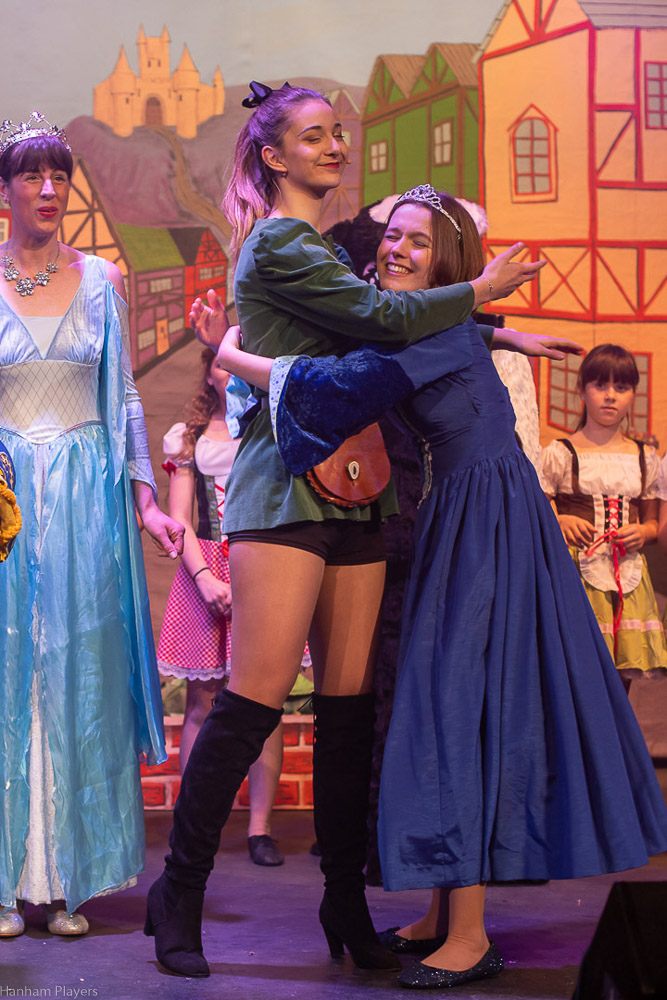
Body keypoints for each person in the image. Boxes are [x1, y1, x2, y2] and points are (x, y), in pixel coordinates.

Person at [145, 80, 570, 980]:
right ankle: (177, 892)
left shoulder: (329, 253)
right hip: (285, 488)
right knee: (255, 701)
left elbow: (391, 332)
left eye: (338, 133)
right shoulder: (277, 242)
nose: (335, 146)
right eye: (313, 136)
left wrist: (492, 331)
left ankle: (344, 901)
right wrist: (483, 292)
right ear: (273, 155)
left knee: (346, 712)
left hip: (357, 486)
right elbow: (380, 320)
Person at [216, 186, 667, 990]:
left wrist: (228, 355)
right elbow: (432, 328)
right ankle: (438, 912)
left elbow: (337, 388)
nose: (395, 249)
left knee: (464, 708)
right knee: (440, 704)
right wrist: (503, 331)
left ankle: (468, 933)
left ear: (446, 262)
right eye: (391, 235)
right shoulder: (425, 324)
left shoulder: (421, 333)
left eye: (416, 243)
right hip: (463, 513)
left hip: (486, 521)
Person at [0, 113, 183, 938]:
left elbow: (127, 396)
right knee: (8, 671)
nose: (50, 190)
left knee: (79, 670)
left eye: (60, 176)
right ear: (6, 190)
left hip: (84, 497)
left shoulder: (103, 279)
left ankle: (67, 876)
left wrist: (144, 497)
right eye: (32, 176)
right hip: (4, 497)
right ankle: (5, 880)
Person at [157, 348, 287, 867]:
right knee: (202, 701)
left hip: (262, 563)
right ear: (209, 373)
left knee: (265, 702)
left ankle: (260, 828)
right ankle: (193, 823)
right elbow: (180, 520)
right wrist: (206, 577)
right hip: (203, 569)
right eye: (221, 362)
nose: (229, 370)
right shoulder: (188, 439)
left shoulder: (267, 429)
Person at [541, 345, 667, 687]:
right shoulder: (560, 453)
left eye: (621, 387)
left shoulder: (644, 457)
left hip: (627, 578)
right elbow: (536, 513)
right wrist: (560, 520)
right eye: (600, 385)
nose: (610, 396)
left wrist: (643, 532)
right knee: (578, 675)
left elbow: (653, 524)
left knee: (620, 676)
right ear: (581, 391)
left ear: (633, 395)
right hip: (575, 577)